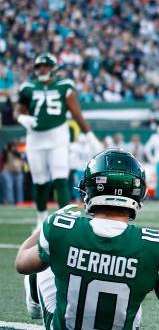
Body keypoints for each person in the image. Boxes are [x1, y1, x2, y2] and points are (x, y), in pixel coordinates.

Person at [15, 148, 159, 330]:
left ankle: (35, 307)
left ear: (89, 189)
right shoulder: (157, 243)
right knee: (155, 269)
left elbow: (21, 263)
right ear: (138, 193)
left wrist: (43, 228)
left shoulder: (60, 227)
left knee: (46, 255)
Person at [15, 53, 102, 227]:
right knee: (39, 180)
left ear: (54, 68)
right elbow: (19, 110)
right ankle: (40, 220)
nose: (42, 69)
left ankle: (65, 220)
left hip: (58, 137)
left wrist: (90, 134)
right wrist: (21, 118)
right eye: (39, 66)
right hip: (35, 139)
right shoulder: (28, 87)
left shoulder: (64, 86)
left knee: (60, 178)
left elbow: (76, 113)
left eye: (46, 66)